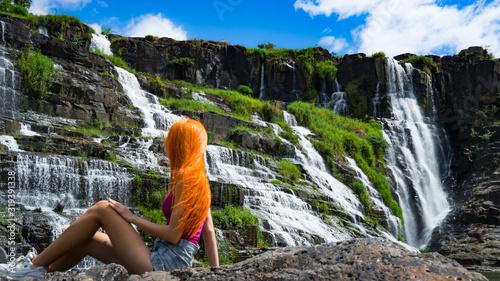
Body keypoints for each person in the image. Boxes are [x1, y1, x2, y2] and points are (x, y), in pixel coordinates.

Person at [0, 119, 219, 280]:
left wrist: (130, 217)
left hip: (161, 264)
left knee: (103, 208)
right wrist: (216, 274)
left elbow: (173, 235)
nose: (165, 144)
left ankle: (32, 265)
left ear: (179, 144)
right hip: (166, 258)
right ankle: (37, 275)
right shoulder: (201, 181)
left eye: (170, 139)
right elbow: (208, 233)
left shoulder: (186, 179)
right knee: (87, 238)